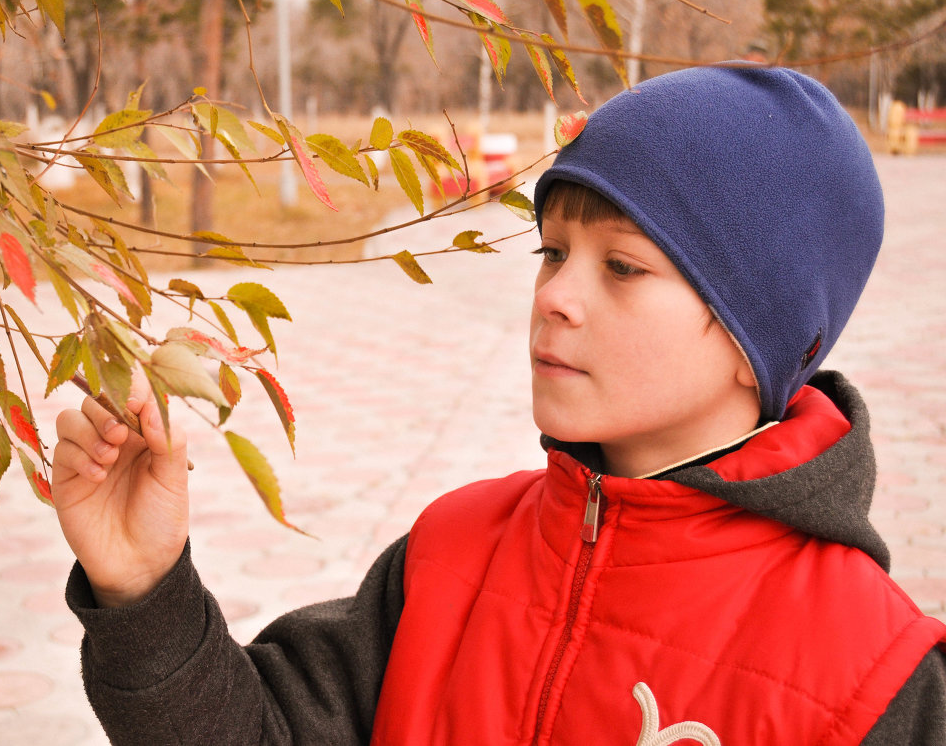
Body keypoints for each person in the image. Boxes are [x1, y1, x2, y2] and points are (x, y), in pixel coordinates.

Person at [52, 66, 946, 745]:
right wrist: (143, 587)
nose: (557, 297)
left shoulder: (874, 674)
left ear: (761, 336)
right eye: (552, 253)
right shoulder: (450, 556)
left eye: (623, 266)